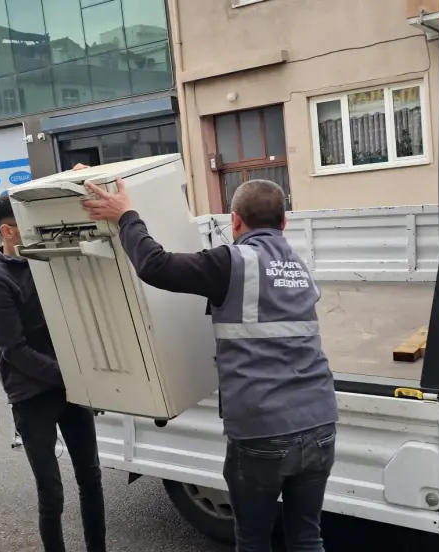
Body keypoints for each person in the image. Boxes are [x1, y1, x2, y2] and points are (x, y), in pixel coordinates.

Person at [79, 172, 338, 552]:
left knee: (253, 539)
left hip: (263, 430)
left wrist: (126, 216)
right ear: (283, 223)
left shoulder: (232, 263)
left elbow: (154, 265)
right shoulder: (299, 267)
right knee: (307, 537)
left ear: (235, 221)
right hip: (320, 424)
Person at [0, 195, 107, 552]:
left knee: (91, 478)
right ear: (8, 231)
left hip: (70, 387)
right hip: (31, 394)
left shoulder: (45, 262)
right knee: (51, 493)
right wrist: (68, 376)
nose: (35, 230)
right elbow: (14, 350)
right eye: (26, 225)